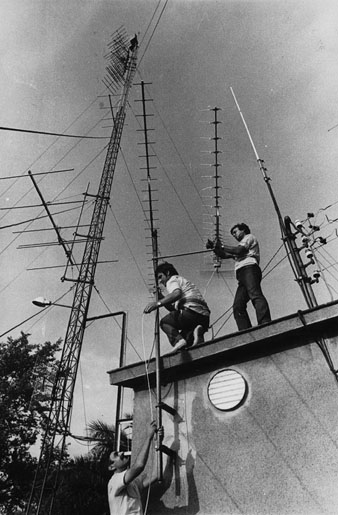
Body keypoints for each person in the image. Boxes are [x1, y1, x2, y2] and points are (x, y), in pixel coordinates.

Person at [206, 223, 271, 331]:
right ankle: (245, 331)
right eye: (233, 234)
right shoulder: (240, 244)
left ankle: (265, 323)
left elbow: (238, 251)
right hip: (242, 275)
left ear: (243, 230)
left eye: (235, 232)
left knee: (255, 295)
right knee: (238, 306)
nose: (234, 235)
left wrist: (220, 246)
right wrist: (214, 248)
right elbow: (225, 255)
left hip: (249, 269)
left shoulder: (249, 237)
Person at [144, 262, 210, 353]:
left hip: (190, 312)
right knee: (187, 344)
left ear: (167, 273)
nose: (160, 281)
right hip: (203, 317)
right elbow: (174, 310)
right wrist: (160, 297)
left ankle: (178, 341)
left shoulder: (172, 280)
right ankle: (197, 332)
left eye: (160, 277)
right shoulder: (184, 282)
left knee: (164, 322)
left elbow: (176, 293)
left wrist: (157, 303)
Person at [107, 420, 158, 515]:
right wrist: (148, 437)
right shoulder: (114, 481)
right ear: (111, 467)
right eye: (116, 455)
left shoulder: (132, 483)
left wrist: (157, 443)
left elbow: (156, 474)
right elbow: (139, 465)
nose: (121, 453)